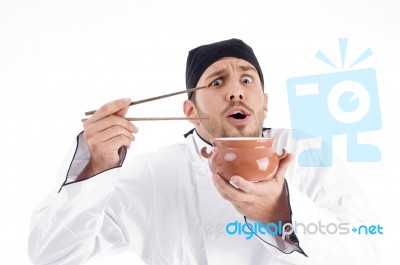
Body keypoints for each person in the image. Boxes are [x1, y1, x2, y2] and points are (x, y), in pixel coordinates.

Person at [28, 39, 380, 265]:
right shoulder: (156, 172)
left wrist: (280, 214)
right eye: (216, 82)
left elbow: (368, 253)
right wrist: (95, 169)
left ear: (265, 103)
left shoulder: (306, 149)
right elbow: (52, 255)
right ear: (190, 111)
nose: (235, 92)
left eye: (247, 80)